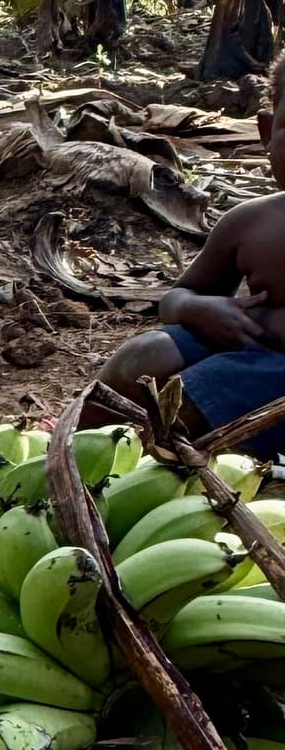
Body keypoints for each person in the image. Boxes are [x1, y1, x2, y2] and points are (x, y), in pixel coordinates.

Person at [99, 56, 285, 453]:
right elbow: (176, 298)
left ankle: (139, 467)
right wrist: (200, 310)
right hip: (246, 349)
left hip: (273, 383)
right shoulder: (250, 223)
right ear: (268, 132)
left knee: (201, 393)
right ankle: (73, 448)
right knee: (142, 355)